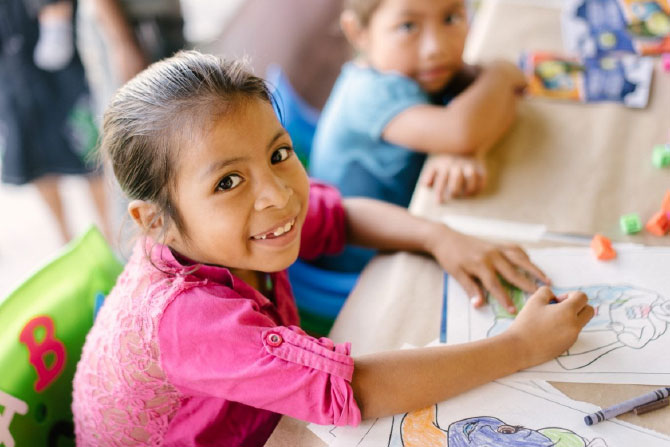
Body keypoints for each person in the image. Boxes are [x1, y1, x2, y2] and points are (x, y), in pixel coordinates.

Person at [71, 51, 593, 446]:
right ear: (155, 221)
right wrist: (519, 347)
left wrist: (441, 236)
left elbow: (341, 215)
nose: (277, 195)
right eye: (228, 182)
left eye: (279, 153)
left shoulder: (229, 236)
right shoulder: (187, 320)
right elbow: (353, 390)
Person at [308, 0, 528, 273]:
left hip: (411, 220)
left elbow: (477, 107)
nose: (436, 47)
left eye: (450, 18)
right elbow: (462, 130)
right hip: (363, 259)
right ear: (358, 32)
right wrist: (502, 73)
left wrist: (465, 149)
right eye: (408, 26)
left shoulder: (415, 70)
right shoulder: (369, 94)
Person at [0, 0, 111, 243]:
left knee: (91, 157)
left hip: (63, 76)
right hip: (12, 77)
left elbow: (57, 43)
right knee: (35, 163)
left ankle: (112, 241)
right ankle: (65, 242)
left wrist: (55, 18)